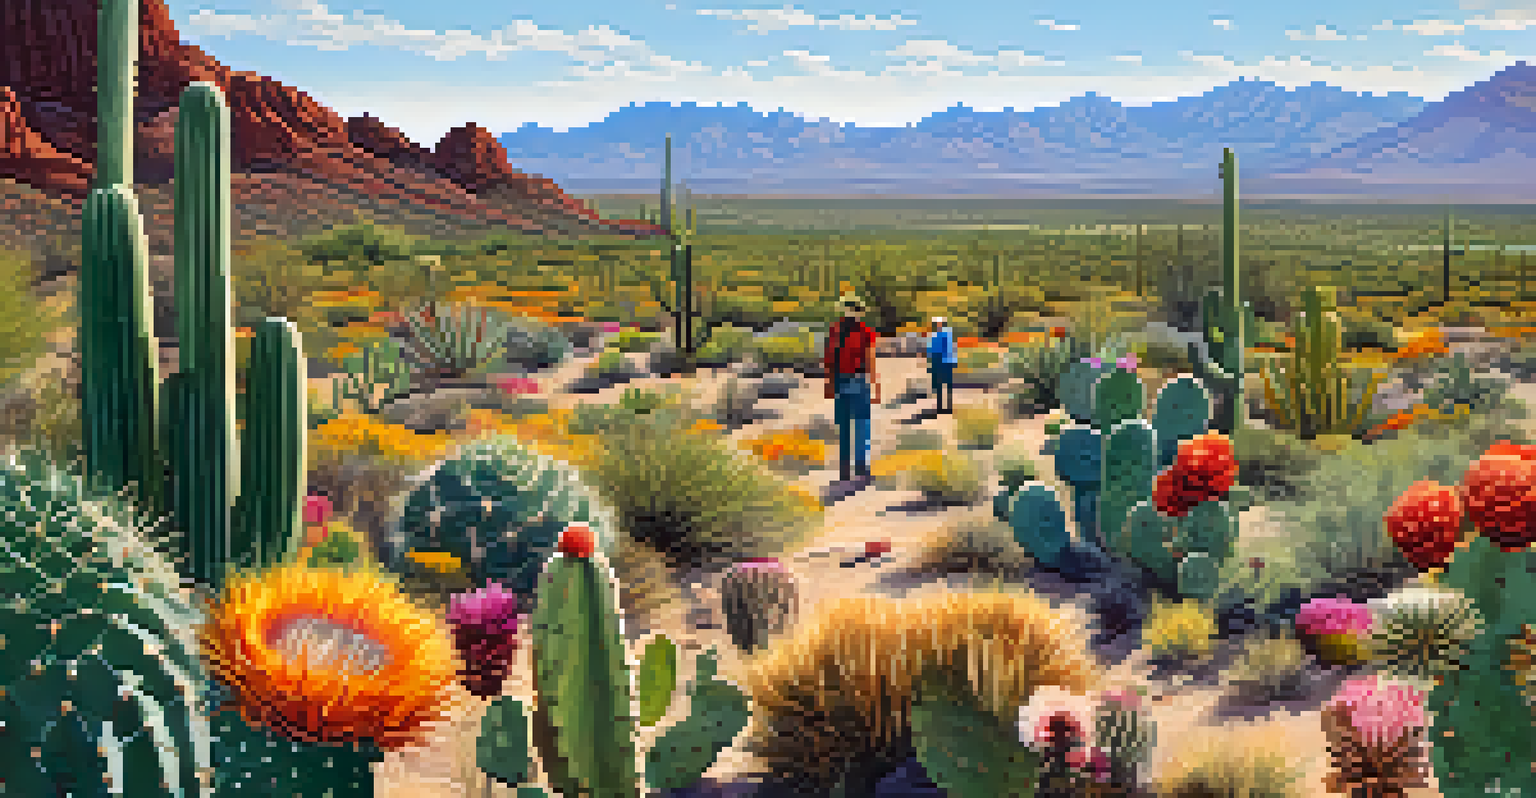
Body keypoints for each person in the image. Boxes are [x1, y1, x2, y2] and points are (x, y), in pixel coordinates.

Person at [823, 293, 881, 482]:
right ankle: (862, 468)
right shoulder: (865, 331)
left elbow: (829, 359)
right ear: (860, 311)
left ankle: (844, 469)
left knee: (844, 424)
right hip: (859, 379)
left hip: (840, 380)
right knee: (862, 423)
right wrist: (875, 385)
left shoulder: (835, 330)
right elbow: (870, 360)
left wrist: (829, 383)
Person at [927, 316, 957, 413]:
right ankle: (940, 407)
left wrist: (952, 361)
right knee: (939, 386)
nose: (936, 325)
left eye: (937, 324)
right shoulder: (935, 335)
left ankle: (948, 406)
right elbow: (931, 351)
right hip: (938, 362)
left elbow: (950, 348)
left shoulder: (946, 334)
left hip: (944, 362)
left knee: (947, 386)